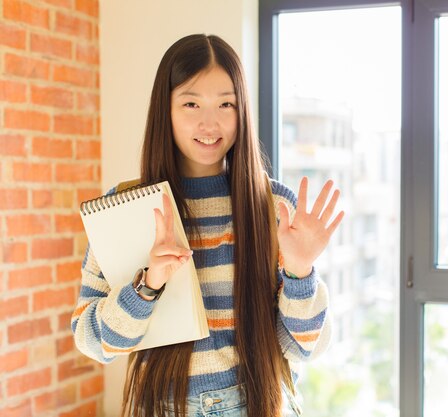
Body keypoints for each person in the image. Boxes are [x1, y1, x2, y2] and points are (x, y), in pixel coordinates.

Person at [71, 34, 344, 417]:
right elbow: (91, 341)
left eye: (226, 104)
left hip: (258, 404)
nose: (209, 122)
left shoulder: (274, 207)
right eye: (191, 103)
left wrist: (300, 274)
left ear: (242, 110)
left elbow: (306, 347)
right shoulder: (129, 205)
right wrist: (147, 286)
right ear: (164, 109)